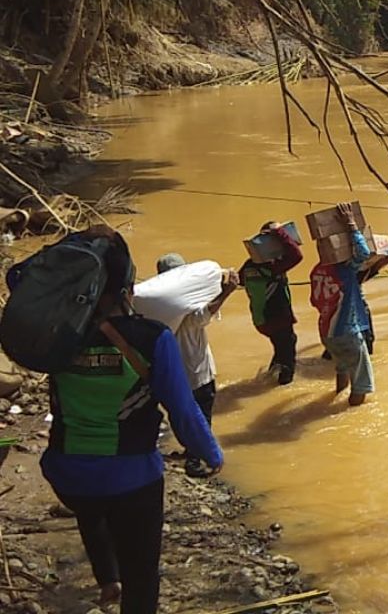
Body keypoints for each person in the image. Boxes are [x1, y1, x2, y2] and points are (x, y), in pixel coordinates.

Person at [36, 227, 222, 613]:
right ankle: (124, 589)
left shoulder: (56, 334)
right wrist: (213, 455)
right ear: (128, 287)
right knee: (143, 573)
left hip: (64, 472)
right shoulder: (151, 338)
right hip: (131, 477)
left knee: (92, 510)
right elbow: (184, 413)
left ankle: (108, 581)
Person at [154, 253, 238, 478]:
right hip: (197, 373)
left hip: (172, 374)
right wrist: (227, 291)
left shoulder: (157, 308)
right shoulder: (187, 307)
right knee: (201, 416)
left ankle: (189, 450)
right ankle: (196, 460)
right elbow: (203, 314)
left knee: (179, 414)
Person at [309, 203, 374, 405]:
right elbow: (364, 253)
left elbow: (314, 301)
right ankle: (352, 413)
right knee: (361, 383)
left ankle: (336, 396)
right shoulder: (343, 270)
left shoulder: (317, 270)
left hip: (327, 332)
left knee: (342, 367)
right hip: (347, 331)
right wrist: (352, 225)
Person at [239, 221, 303, 385]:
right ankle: (283, 384)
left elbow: (239, 280)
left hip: (261, 320)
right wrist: (280, 232)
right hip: (278, 319)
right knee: (288, 349)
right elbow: (297, 255)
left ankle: (271, 374)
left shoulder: (249, 265)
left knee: (280, 346)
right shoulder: (273, 266)